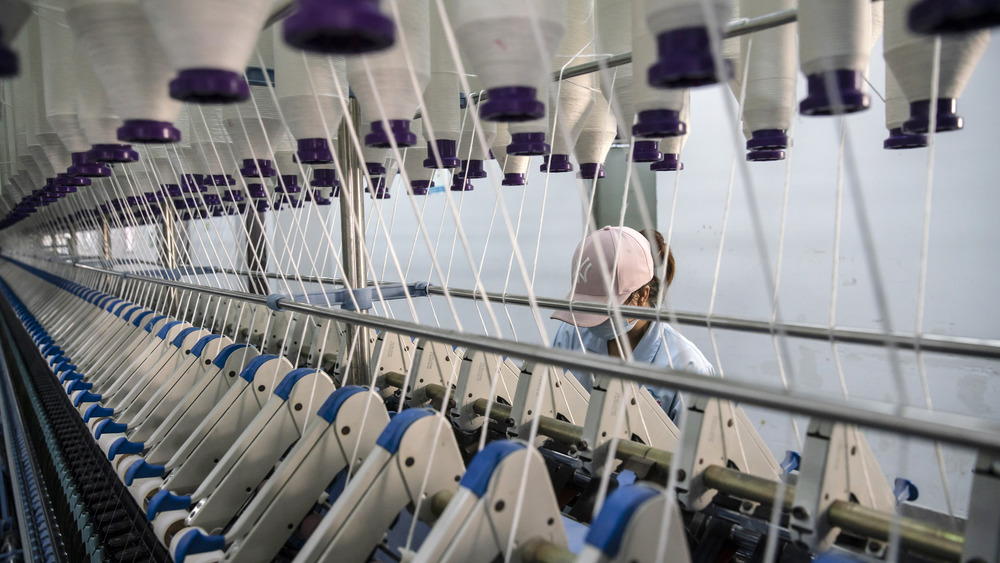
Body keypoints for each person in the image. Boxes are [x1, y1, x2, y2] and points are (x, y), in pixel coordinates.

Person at [551, 225, 714, 421]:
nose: (591, 320)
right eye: (587, 307)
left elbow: (691, 449)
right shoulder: (571, 335)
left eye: (604, 308)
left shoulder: (688, 370)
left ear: (642, 295)